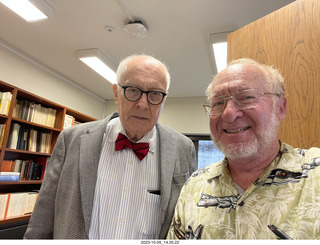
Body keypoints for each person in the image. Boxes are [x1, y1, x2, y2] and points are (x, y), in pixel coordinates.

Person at [24, 54, 196, 239]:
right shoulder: (71, 140)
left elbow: (185, 222)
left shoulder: (183, 149)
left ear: (164, 99)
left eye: (155, 93)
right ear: (116, 93)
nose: (142, 104)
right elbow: (42, 219)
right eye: (132, 90)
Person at [166, 58, 320, 239]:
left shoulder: (315, 175)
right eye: (218, 102)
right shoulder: (194, 186)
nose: (229, 113)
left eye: (246, 97)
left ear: (281, 107)